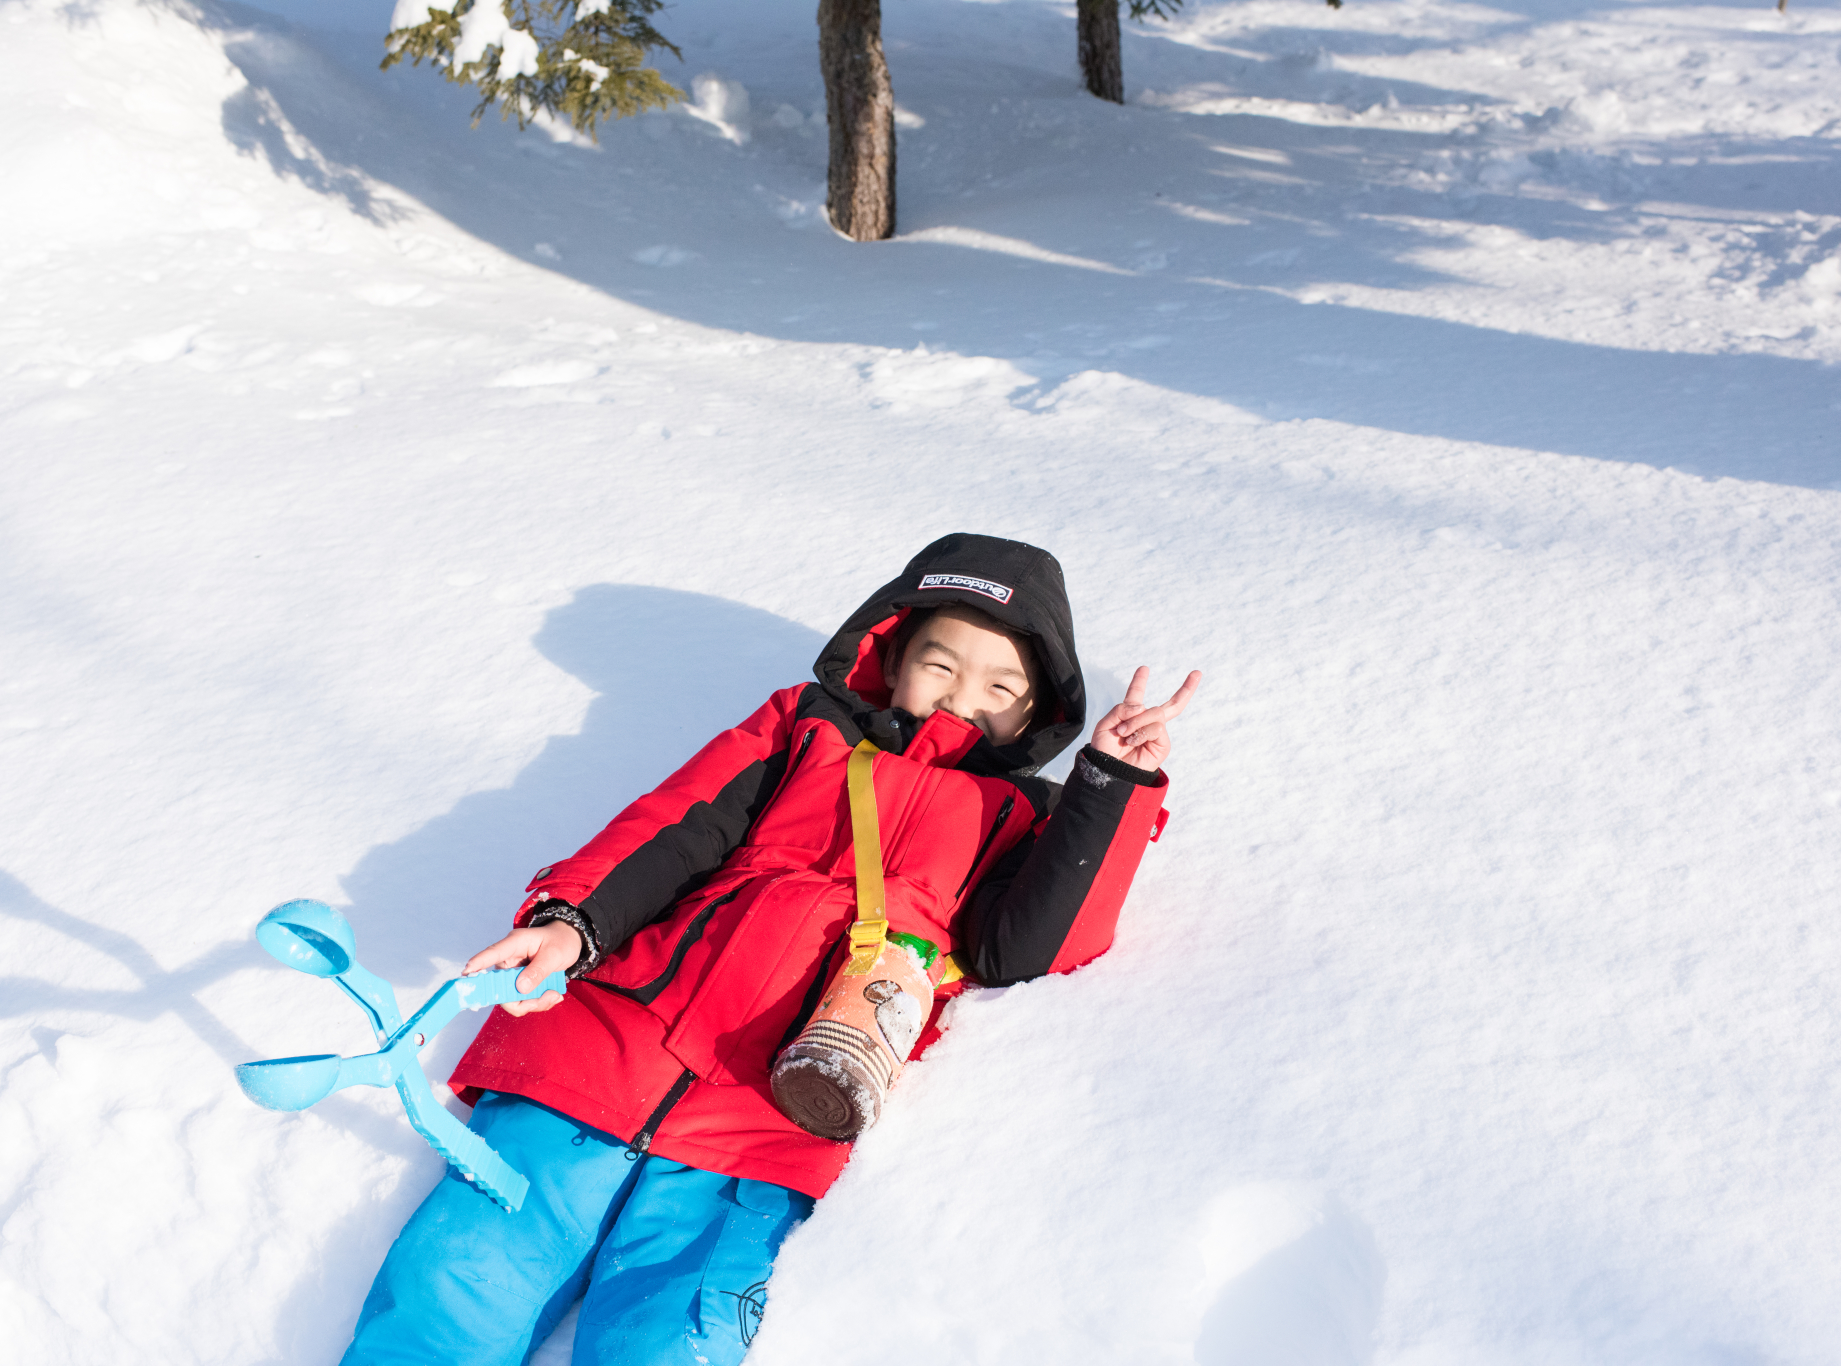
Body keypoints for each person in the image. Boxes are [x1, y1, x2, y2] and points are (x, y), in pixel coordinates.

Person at [341, 533, 1201, 1366]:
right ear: (891, 657)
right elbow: (678, 828)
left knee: (673, 1337)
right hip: (602, 1050)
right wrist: (574, 922)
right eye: (940, 663)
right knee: (455, 1288)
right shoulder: (806, 730)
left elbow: (1027, 948)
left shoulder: (1023, 818)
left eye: (999, 682)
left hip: (782, 1110)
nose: (959, 695)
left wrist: (1109, 788)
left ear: (1038, 710)